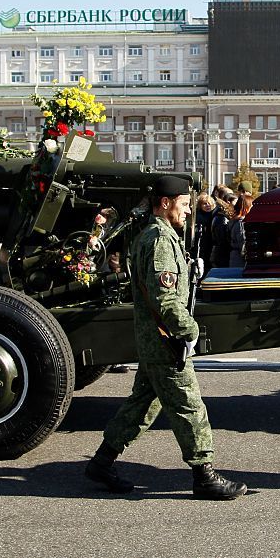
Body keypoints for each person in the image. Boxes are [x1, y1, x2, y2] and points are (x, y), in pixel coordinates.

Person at [86, 176, 247, 500]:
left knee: (141, 405)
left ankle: (101, 463)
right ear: (165, 203)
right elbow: (166, 300)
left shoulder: (158, 236)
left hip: (154, 339)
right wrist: (190, 329)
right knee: (190, 406)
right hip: (165, 340)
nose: (189, 211)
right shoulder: (159, 239)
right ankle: (204, 475)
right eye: (185, 205)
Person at [228, 194, 253, 268]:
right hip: (240, 261)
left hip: (235, 258)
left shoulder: (235, 221)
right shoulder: (241, 223)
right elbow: (243, 244)